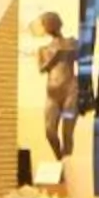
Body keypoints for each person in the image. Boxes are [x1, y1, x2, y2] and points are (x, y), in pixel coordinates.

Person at [35, 12, 80, 161]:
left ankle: (67, 164)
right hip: (52, 95)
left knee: (67, 133)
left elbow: (83, 57)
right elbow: (42, 69)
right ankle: (60, 159)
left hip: (70, 92)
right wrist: (55, 57)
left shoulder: (71, 42)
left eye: (46, 24)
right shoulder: (43, 49)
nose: (45, 27)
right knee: (50, 131)